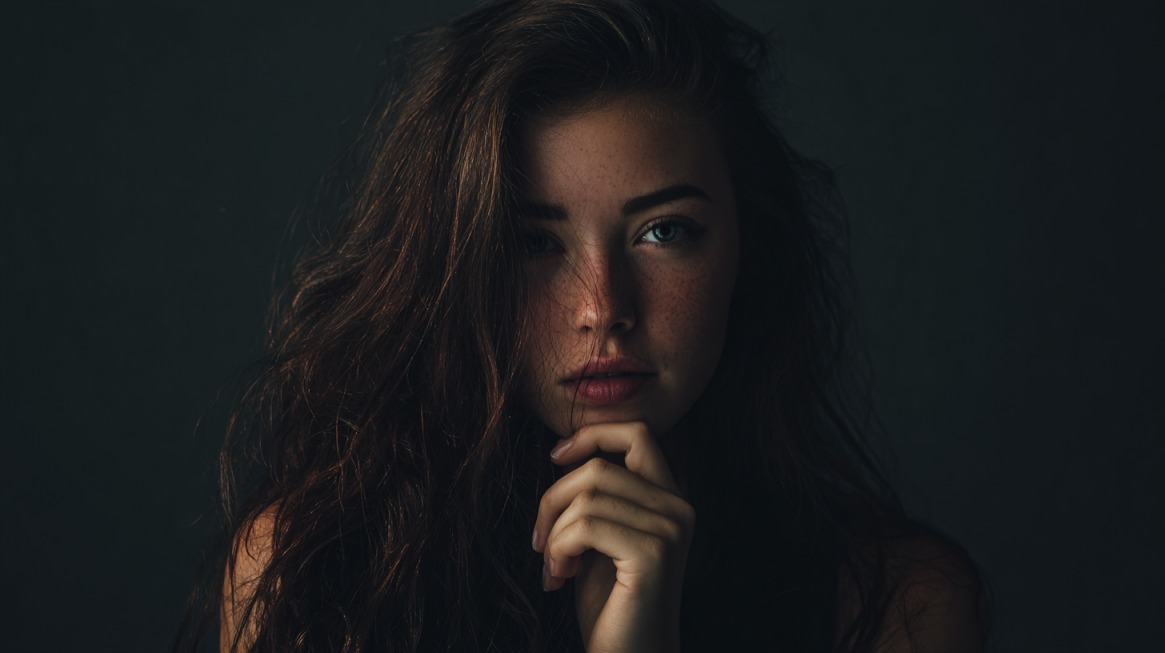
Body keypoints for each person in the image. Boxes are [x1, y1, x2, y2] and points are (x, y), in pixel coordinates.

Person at [178, 0, 989, 651]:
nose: (602, 306)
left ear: (750, 246)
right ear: (451, 266)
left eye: (663, 231)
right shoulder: (301, 571)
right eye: (533, 244)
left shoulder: (896, 605)